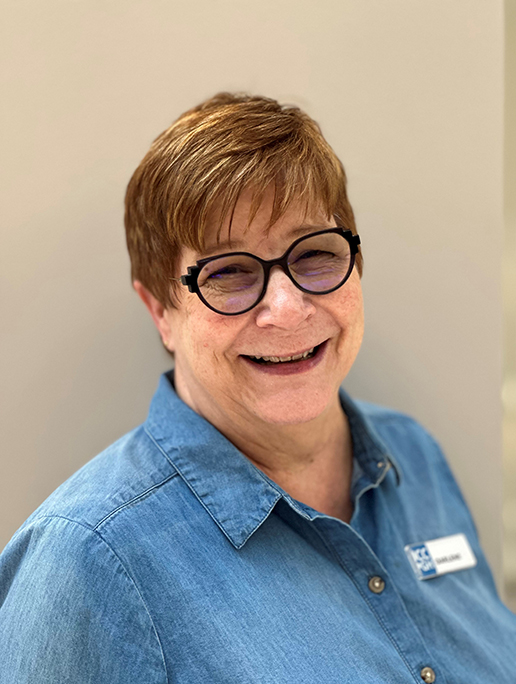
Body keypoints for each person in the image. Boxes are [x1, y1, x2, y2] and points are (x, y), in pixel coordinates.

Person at [0, 92, 514, 684]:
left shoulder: (412, 455)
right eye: (229, 272)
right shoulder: (89, 560)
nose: (288, 309)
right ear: (160, 310)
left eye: (315, 253)